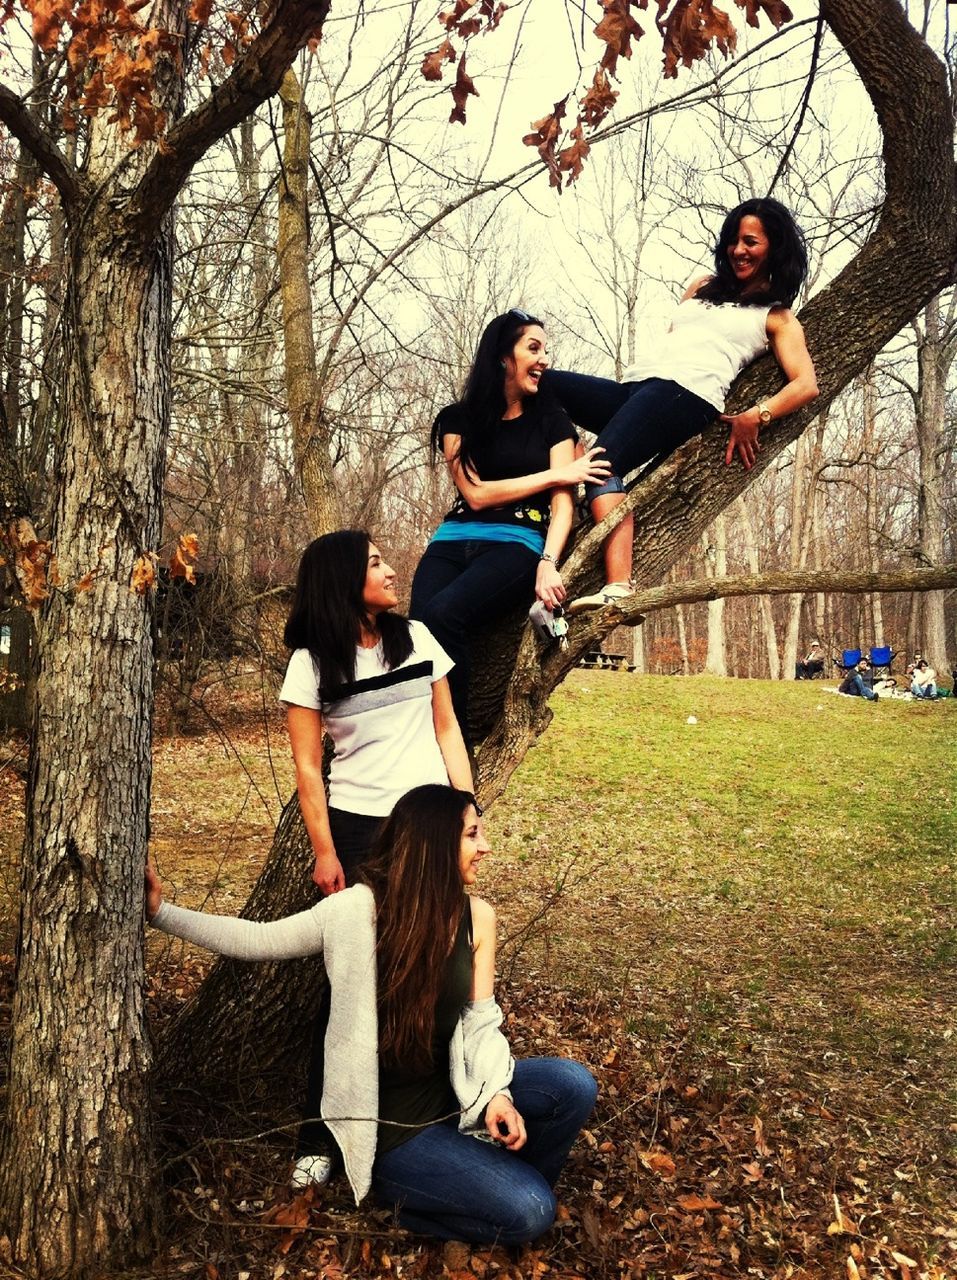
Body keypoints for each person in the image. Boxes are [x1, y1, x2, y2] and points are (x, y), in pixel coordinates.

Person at [146, 785, 597, 1245]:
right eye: (472, 835)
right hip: (395, 1132)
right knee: (531, 1212)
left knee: (572, 1085)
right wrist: (162, 913)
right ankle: (417, 1199)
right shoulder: (354, 912)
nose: (485, 847)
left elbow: (480, 1021)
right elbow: (257, 941)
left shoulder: (477, 917)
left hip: (456, 1096)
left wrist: (496, 1095)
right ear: (436, 844)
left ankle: (486, 1178)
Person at [280, 530, 475, 1187]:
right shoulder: (310, 664)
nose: (391, 571)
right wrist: (324, 852)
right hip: (361, 836)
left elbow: (447, 726)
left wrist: (464, 809)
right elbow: (309, 768)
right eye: (375, 564)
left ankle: (439, 1111)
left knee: (436, 966)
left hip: (427, 833)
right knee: (349, 986)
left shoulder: (416, 639)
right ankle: (319, 1137)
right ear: (342, 580)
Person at [540, 198, 819, 612]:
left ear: (774, 248)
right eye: (733, 241)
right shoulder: (702, 285)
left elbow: (806, 384)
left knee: (603, 462)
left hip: (687, 393)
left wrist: (755, 415)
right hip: (638, 386)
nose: (738, 250)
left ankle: (619, 586)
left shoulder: (776, 317)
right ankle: (566, 482)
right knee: (544, 386)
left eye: (751, 242)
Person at [409, 308, 612, 732]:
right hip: (450, 541)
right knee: (416, 631)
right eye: (533, 348)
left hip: (515, 543)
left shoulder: (553, 422)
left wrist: (548, 561)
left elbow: (563, 508)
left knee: (443, 616)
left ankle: (456, 748)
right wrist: (560, 472)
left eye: (546, 350)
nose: (544, 360)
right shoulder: (456, 419)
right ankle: (416, 738)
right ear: (503, 357)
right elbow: (476, 494)